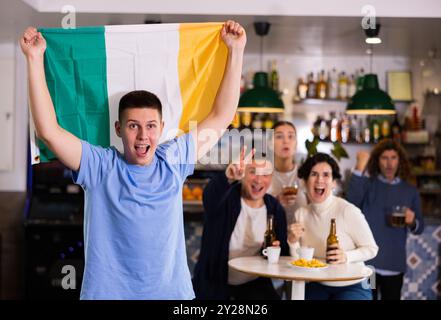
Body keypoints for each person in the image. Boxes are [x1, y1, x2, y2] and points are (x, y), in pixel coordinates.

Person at [20, 21, 246, 299]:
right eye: (133, 126)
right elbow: (49, 131)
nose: (142, 136)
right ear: (118, 129)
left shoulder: (173, 160)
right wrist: (34, 59)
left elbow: (221, 116)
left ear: (161, 128)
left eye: (151, 126)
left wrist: (236, 52)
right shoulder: (100, 166)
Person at [193, 149, 290, 300]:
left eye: (265, 174)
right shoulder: (226, 197)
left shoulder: (275, 208)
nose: (259, 180)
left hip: (254, 283)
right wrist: (228, 177)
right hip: (214, 282)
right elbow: (209, 200)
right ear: (243, 173)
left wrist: (274, 249)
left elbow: (282, 252)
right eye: (253, 172)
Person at [288, 153, 378, 300]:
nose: (319, 180)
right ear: (304, 181)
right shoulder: (301, 214)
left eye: (326, 175)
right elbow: (300, 260)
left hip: (354, 283)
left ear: (334, 182)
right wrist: (292, 241)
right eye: (313, 174)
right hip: (317, 283)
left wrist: (346, 256)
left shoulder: (348, 211)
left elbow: (372, 249)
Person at [346, 139, 424, 300]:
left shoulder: (410, 191)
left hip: (394, 265)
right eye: (384, 158)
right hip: (369, 266)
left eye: (393, 157)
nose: (389, 163)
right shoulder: (368, 185)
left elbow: (420, 227)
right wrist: (360, 167)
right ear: (377, 161)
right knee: (366, 298)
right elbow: (351, 202)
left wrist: (412, 221)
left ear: (400, 161)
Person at [226, 121, 307, 224]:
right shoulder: (259, 175)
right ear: (269, 143)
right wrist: (276, 203)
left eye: (291, 136)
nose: (286, 141)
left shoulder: (306, 175)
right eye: (279, 136)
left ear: (296, 143)